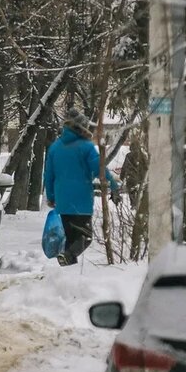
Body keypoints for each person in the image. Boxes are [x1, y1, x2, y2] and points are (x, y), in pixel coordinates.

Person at [43, 108, 121, 266]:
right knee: (85, 237)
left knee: (71, 238)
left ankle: (68, 271)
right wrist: (113, 185)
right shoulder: (85, 147)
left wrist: (51, 197)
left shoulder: (55, 147)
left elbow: (49, 175)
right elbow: (100, 169)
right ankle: (68, 257)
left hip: (63, 201)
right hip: (81, 201)